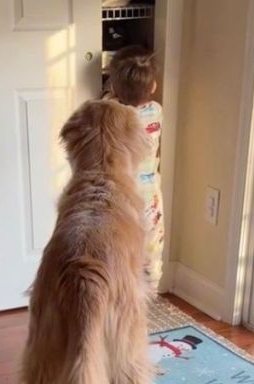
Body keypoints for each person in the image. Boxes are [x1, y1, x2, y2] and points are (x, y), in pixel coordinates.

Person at [108, 45, 165, 292]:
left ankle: (120, 290)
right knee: (151, 245)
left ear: (112, 87)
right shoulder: (156, 112)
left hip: (121, 196)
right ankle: (150, 289)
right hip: (149, 195)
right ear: (153, 87)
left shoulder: (113, 115)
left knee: (120, 245)